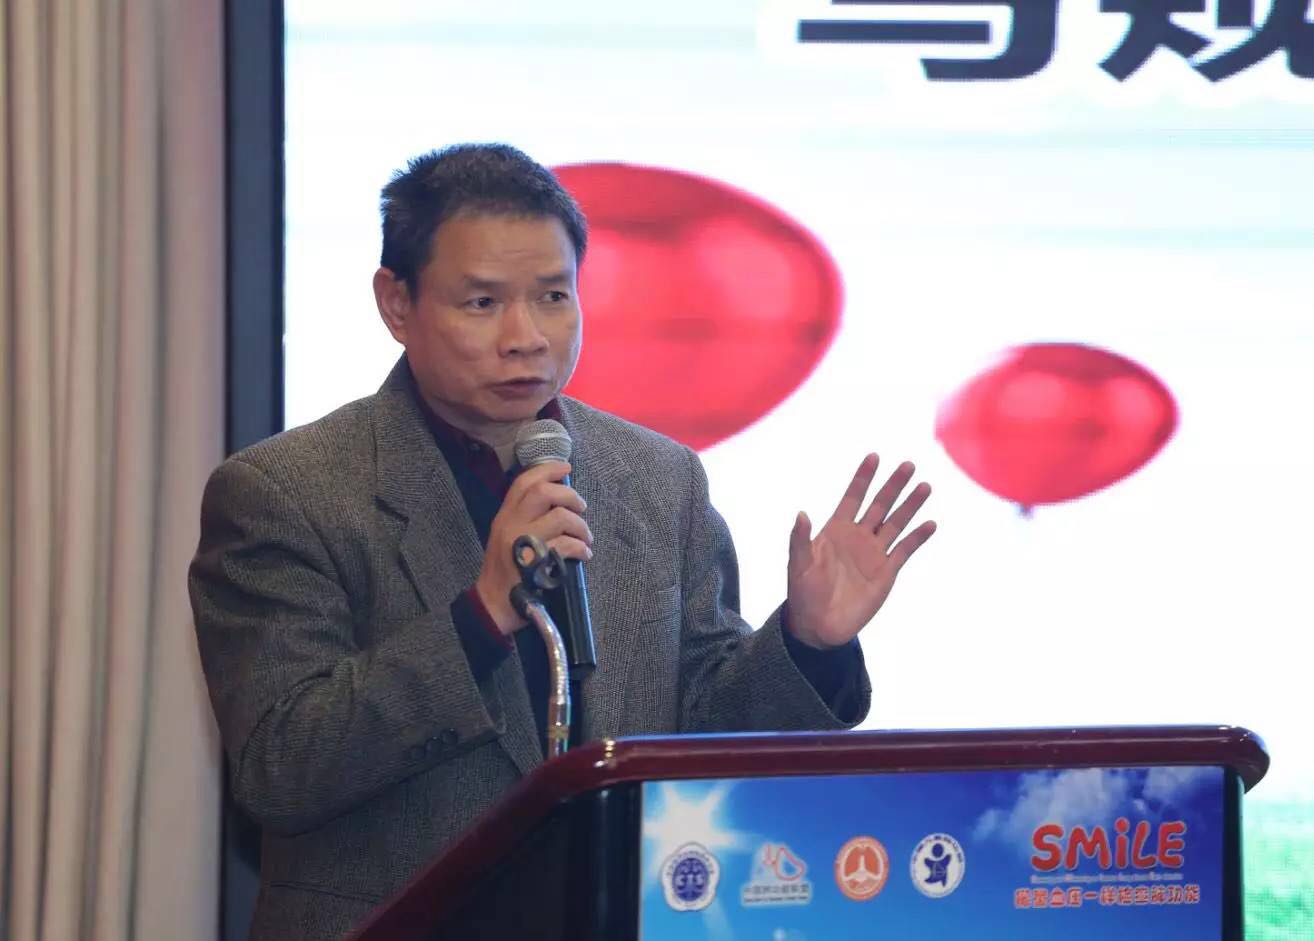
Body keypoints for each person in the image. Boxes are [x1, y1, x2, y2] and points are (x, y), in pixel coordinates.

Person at [189, 143, 936, 940]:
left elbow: (704, 729)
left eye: (552, 296)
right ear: (396, 304)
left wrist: (807, 643)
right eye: (482, 302)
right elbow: (281, 768)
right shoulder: (285, 493)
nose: (525, 337)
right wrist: (479, 616)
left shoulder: (659, 478)